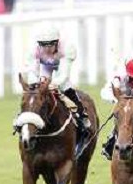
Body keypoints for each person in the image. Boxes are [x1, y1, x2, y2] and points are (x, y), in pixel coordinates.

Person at [24, 23, 90, 156]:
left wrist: (54, 85)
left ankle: (82, 118)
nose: (47, 48)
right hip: (45, 69)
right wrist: (37, 86)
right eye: (44, 44)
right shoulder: (33, 51)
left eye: (50, 44)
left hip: (61, 67)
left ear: (57, 42)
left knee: (66, 88)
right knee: (32, 97)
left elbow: (63, 75)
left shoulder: (67, 49)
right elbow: (32, 73)